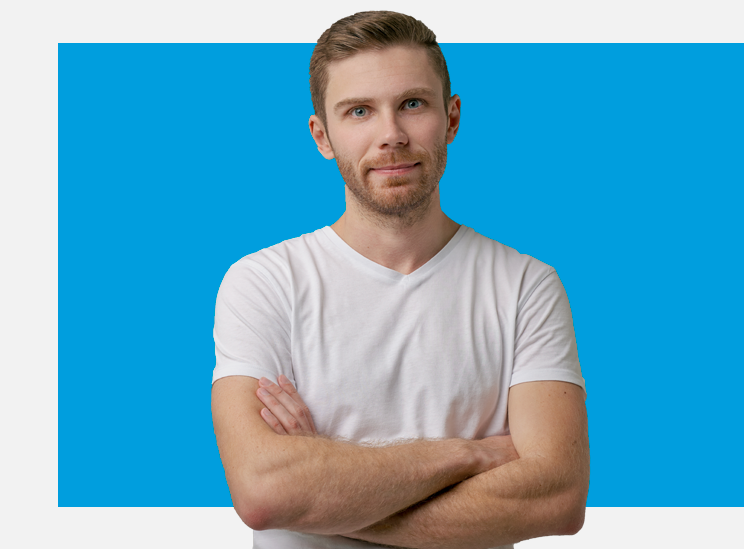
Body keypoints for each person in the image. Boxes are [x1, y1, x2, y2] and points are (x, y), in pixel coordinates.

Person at [211, 10, 589, 549]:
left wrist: (321, 492)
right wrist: (472, 454)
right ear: (322, 135)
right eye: (359, 111)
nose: (390, 135)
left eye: (412, 104)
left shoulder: (525, 285)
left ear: (452, 118)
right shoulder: (264, 282)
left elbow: (557, 499)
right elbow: (263, 493)